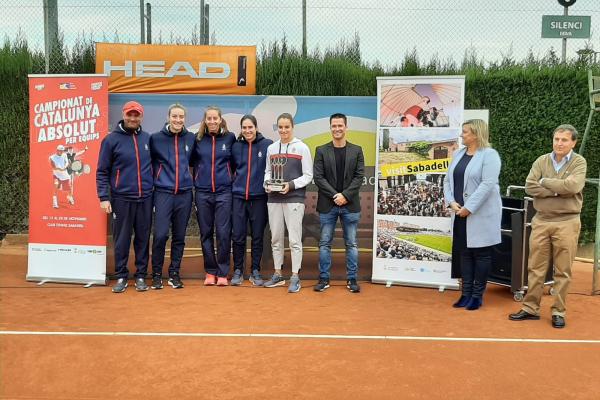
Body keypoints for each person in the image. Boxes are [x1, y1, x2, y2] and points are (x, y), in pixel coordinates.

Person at [509, 124, 587, 329]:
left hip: (567, 222)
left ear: (573, 142)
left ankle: (558, 312)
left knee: (563, 270)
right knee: (535, 268)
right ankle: (530, 308)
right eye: (556, 139)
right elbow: (530, 186)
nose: (559, 143)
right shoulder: (541, 160)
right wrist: (557, 190)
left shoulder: (579, 162)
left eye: (564, 140)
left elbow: (573, 186)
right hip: (541, 220)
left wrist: (545, 182)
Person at [443, 119, 502, 310]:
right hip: (459, 213)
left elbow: (488, 184)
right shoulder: (459, 154)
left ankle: (477, 296)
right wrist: (451, 202)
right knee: (465, 254)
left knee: (481, 254)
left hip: (479, 215)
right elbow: (447, 181)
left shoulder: (490, 155)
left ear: (476, 134)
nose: (462, 135)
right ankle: (465, 293)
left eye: (465, 132)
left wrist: (469, 207)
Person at [96, 101, 154, 293]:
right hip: (121, 199)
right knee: (121, 239)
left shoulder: (147, 138)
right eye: (130, 114)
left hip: (145, 198)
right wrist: (104, 197)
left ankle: (140, 276)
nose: (132, 118)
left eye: (136, 115)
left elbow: (152, 168)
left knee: (143, 239)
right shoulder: (111, 140)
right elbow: (102, 171)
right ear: (124, 114)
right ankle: (121, 275)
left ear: (141, 117)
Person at [313, 113, 365, 293]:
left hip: (350, 206)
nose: (337, 129)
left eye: (340, 125)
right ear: (330, 128)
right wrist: (336, 195)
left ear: (346, 127)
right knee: (325, 243)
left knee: (351, 244)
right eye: (334, 126)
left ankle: (352, 280)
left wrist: (345, 196)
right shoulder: (321, 150)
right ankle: (324, 279)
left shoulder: (357, 150)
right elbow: (318, 177)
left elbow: (359, 177)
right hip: (328, 205)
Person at [263, 113, 313, 293]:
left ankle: (294, 276)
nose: (283, 130)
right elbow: (268, 171)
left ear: (292, 127)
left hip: (294, 199)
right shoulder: (271, 148)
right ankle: (277, 274)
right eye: (280, 127)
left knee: (294, 239)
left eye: (287, 127)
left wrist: (291, 185)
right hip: (274, 198)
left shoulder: (302, 148)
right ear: (277, 128)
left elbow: (308, 175)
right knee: (275, 237)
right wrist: (267, 184)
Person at [149, 103, 196, 290]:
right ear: (168, 117)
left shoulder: (191, 138)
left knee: (179, 236)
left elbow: (193, 162)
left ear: (185, 119)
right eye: (174, 116)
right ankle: (157, 274)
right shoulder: (156, 139)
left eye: (181, 117)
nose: (178, 120)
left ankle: (174, 273)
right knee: (160, 235)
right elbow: (149, 164)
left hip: (184, 193)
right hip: (163, 193)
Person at [192, 106, 236, 286]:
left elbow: (234, 163)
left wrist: (227, 178)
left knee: (224, 233)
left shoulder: (230, 138)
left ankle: (223, 273)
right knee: (205, 233)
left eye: (215, 118)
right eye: (208, 118)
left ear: (220, 120)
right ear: (205, 121)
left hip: (224, 192)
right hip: (202, 192)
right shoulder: (197, 140)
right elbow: (190, 162)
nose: (212, 121)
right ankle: (210, 272)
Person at [230, 115, 273, 286]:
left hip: (259, 198)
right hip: (239, 197)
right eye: (244, 128)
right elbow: (233, 168)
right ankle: (238, 270)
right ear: (241, 129)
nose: (247, 131)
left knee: (257, 236)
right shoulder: (235, 146)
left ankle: (255, 270)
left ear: (256, 127)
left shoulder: (267, 144)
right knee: (238, 236)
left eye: (250, 127)